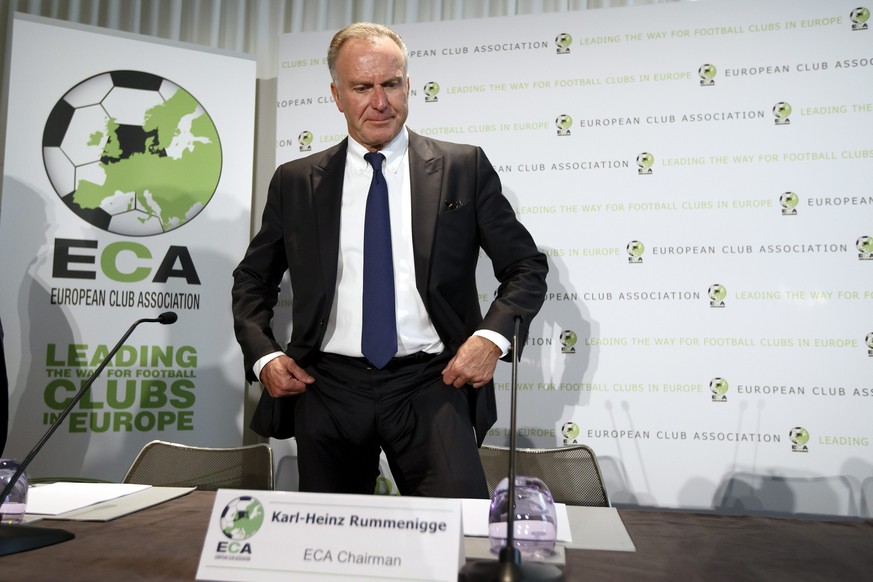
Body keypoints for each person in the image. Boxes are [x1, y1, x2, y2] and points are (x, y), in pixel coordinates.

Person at [231, 22, 548, 498]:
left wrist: (490, 339)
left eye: (391, 84)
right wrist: (265, 355)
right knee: (329, 550)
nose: (380, 102)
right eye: (362, 87)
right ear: (337, 96)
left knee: (461, 539)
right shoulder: (296, 181)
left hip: (431, 382)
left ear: (408, 85)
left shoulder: (463, 168)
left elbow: (525, 267)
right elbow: (253, 279)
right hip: (327, 385)